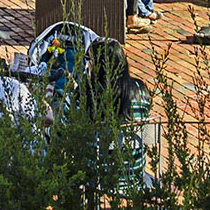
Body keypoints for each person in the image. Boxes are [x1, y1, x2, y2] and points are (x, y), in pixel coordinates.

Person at [63, 38, 153, 194]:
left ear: (98, 65)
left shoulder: (89, 95)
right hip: (134, 173)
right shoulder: (141, 89)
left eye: (89, 59)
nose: (88, 65)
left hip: (99, 177)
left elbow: (69, 130)